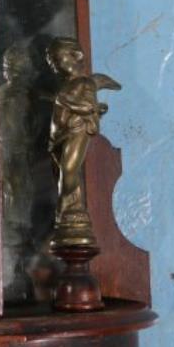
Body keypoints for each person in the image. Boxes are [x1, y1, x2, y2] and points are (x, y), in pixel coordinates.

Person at [46, 37, 121, 224]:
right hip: (59, 137)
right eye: (52, 62)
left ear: (76, 56)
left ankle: (65, 208)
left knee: (69, 170)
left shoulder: (84, 84)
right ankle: (71, 206)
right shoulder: (65, 86)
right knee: (61, 172)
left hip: (76, 130)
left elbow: (88, 106)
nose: (55, 65)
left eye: (58, 58)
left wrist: (65, 101)